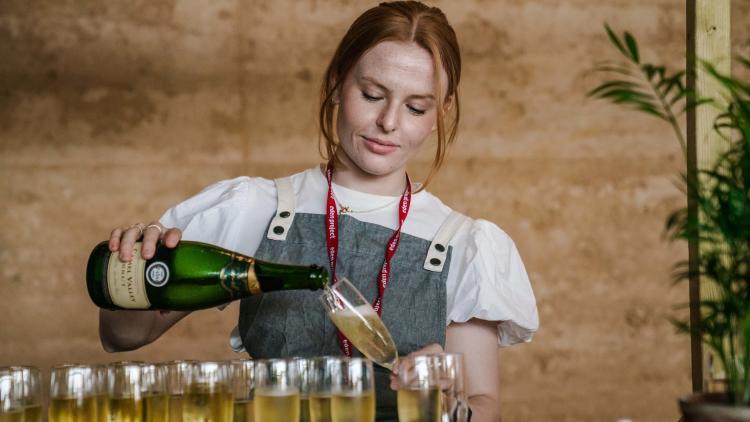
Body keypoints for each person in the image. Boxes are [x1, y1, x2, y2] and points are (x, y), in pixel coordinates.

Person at [100, 2, 538, 420]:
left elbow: (484, 407)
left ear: (439, 114)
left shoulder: (464, 243)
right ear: (335, 84)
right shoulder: (255, 208)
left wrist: (449, 407)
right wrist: (136, 270)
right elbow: (122, 336)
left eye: (415, 107)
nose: (389, 121)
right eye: (371, 94)